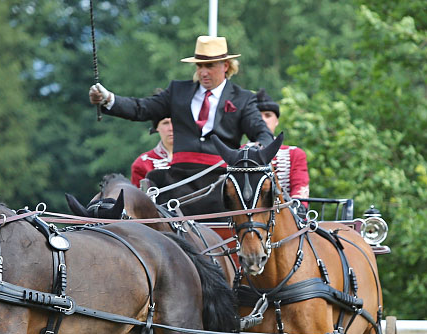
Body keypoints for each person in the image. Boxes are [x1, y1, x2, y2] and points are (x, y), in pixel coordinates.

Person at [90, 35, 273, 212]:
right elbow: (142, 108)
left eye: (209, 66)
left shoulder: (243, 99)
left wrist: (258, 147)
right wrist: (108, 99)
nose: (203, 72)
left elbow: (262, 133)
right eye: (199, 66)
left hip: (220, 180)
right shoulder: (178, 91)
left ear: (225, 66)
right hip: (178, 180)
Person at [255, 88, 309, 200]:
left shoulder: (294, 154)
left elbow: (300, 187)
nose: (263, 120)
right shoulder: (238, 152)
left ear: (277, 121)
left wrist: (297, 207)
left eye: (268, 115)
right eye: (257, 116)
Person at [130, 92, 174, 188]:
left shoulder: (197, 157)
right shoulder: (142, 164)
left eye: (174, 122)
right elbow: (138, 201)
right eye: (165, 123)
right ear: (156, 127)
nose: (171, 128)